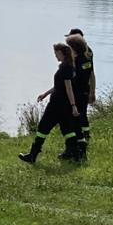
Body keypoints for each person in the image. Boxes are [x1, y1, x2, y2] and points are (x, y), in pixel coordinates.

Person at [19, 41, 82, 165]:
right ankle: (75, 155)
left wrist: (74, 106)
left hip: (57, 105)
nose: (55, 56)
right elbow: (59, 86)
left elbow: (69, 88)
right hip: (64, 106)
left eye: (56, 53)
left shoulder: (66, 68)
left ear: (63, 53)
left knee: (43, 128)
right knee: (67, 129)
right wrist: (46, 94)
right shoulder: (68, 66)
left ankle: (33, 155)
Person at [64, 30, 95, 160]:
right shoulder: (87, 57)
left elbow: (69, 80)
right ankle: (79, 146)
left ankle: (75, 150)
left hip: (76, 94)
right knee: (79, 119)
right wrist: (92, 91)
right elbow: (91, 74)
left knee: (72, 122)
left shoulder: (75, 61)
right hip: (84, 92)